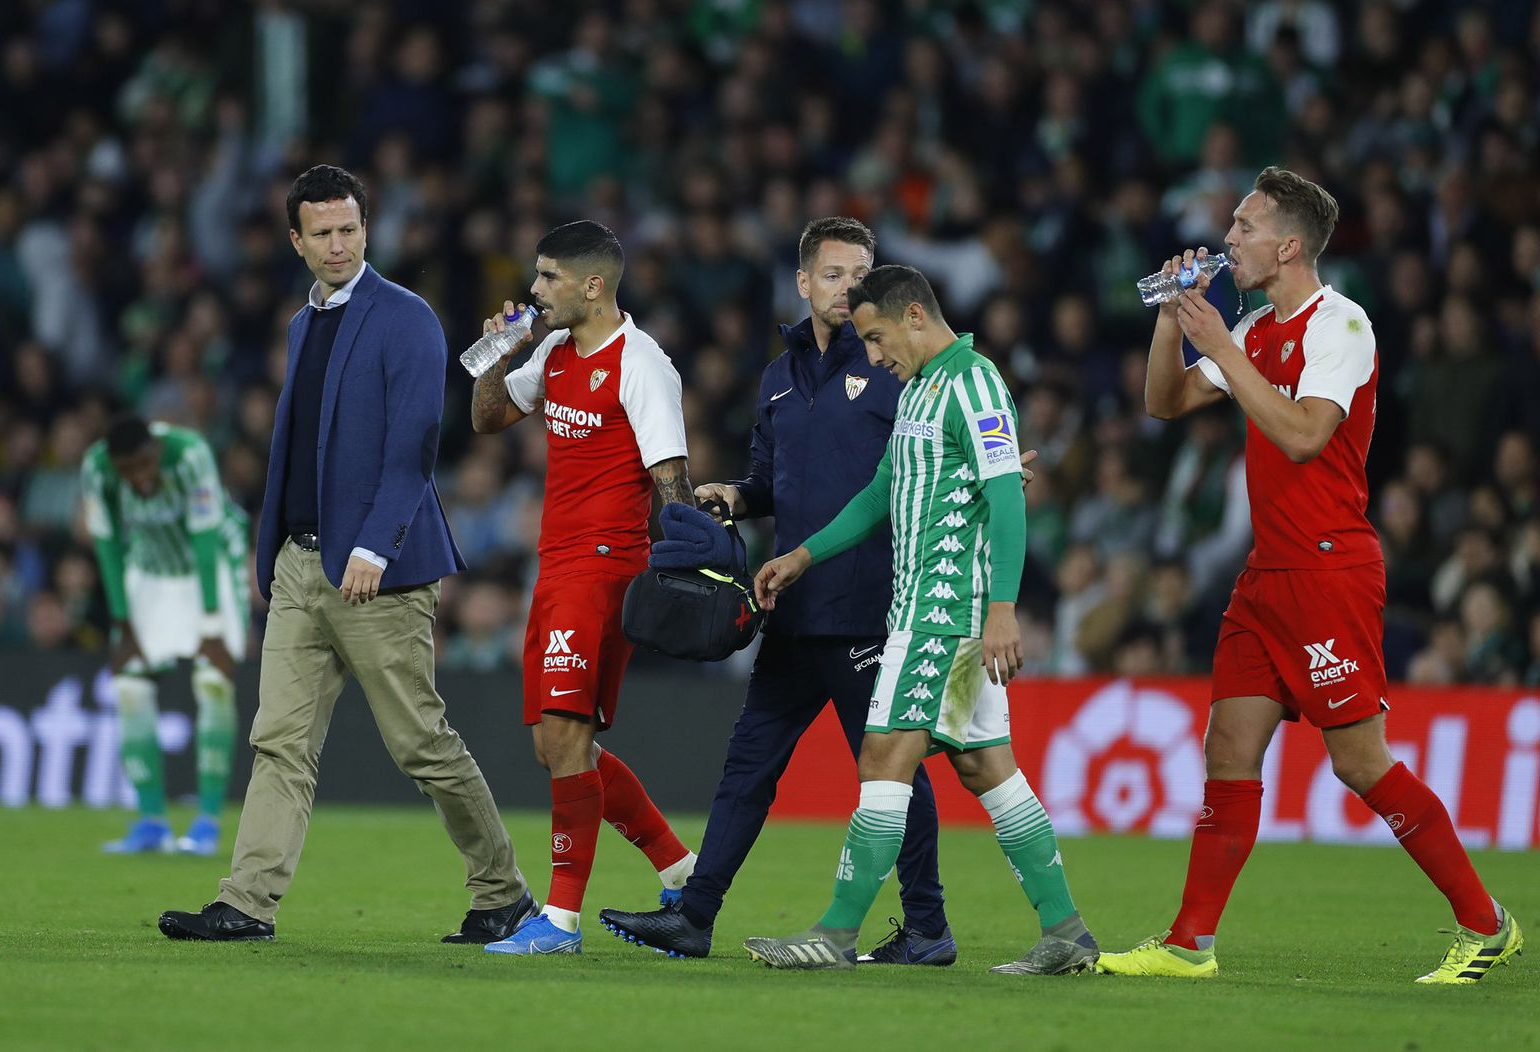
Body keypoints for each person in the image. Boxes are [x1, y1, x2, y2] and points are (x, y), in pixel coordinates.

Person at [1094, 167, 1523, 984]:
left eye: (1244, 227)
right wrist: (1171, 324)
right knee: (1228, 748)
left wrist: (1221, 343)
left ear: (1289, 245)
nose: (1228, 240)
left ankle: (1486, 923)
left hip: (1330, 567)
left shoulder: (1344, 325)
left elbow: (1301, 437)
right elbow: (1165, 403)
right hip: (1267, 576)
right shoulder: (1255, 327)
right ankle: (1190, 942)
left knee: (1360, 762)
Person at [159, 165, 535, 944]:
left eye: (350, 228)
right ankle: (248, 902)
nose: (338, 244)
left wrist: (375, 544)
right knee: (278, 741)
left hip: (378, 575)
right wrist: (273, 561)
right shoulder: (304, 325)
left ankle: (503, 894)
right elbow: (298, 449)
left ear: (368, 228)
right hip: (301, 567)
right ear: (295, 241)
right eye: (322, 232)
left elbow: (415, 447)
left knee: (420, 745)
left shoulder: (407, 318)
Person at [598, 218, 956, 964]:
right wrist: (736, 493)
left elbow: (932, 460)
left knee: (891, 772)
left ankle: (927, 927)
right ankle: (695, 917)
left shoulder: (895, 365)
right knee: (747, 767)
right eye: (833, 275)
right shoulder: (779, 376)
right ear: (802, 282)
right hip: (790, 609)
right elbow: (772, 482)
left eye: (861, 275)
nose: (849, 289)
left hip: (869, 606)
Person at [741, 265, 1096, 974]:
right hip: (928, 609)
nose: (874, 357)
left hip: (943, 613)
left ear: (912, 316)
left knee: (882, 756)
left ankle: (836, 933)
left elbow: (1006, 497)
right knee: (985, 766)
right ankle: (1067, 933)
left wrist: (1001, 609)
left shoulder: (973, 383)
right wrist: (803, 556)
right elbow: (882, 492)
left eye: (875, 339)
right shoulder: (921, 391)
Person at [469, 220, 699, 955]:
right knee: (556, 745)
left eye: (546, 278)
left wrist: (689, 575)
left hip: (604, 568)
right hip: (556, 565)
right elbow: (486, 418)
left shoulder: (642, 364)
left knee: (567, 739)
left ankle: (560, 922)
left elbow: (674, 485)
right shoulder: (554, 352)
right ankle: (682, 868)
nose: (533, 292)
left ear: (592, 285)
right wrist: (494, 353)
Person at [83, 415, 248, 857]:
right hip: (152, 570)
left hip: (209, 566)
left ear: (154, 452)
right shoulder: (95, 468)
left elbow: (206, 533)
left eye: (142, 465)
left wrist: (211, 623)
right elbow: (108, 543)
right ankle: (151, 821)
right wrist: (122, 623)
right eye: (127, 471)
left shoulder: (190, 454)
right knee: (129, 687)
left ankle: (207, 824)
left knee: (212, 683)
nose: (137, 478)